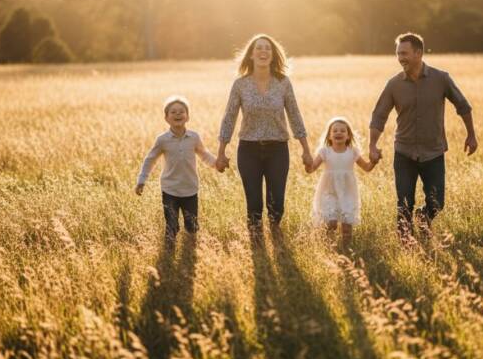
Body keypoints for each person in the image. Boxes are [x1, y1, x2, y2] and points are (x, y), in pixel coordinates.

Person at [368, 32, 478, 242]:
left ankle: (423, 217)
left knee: (437, 203)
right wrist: (372, 145)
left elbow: (462, 106)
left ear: (419, 53)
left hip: (433, 152)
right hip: (404, 153)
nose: (401, 58)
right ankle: (406, 245)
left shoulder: (441, 78)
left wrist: (471, 135)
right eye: (398, 54)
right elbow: (379, 115)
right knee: (404, 203)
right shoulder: (394, 84)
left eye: (405, 53)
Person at [216, 34, 312, 239]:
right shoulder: (240, 85)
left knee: (276, 201)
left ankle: (276, 237)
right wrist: (221, 152)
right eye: (259, 48)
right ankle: (256, 243)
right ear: (251, 54)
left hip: (278, 149)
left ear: (273, 54)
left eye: (267, 48)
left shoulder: (283, 83)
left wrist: (306, 150)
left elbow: (295, 115)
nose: (263, 51)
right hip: (248, 149)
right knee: (254, 202)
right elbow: (229, 118)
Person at [135, 96, 217, 248]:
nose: (178, 114)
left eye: (181, 111)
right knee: (172, 225)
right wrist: (141, 180)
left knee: (191, 225)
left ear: (188, 116)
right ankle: (169, 252)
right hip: (170, 189)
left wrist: (217, 164)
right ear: (166, 118)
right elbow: (150, 160)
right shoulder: (162, 140)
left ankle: (191, 252)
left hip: (190, 189)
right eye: (173, 112)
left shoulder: (194, 137)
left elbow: (204, 154)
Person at [307, 117, 377, 248]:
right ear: (329, 136)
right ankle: (329, 248)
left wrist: (374, 161)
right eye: (335, 131)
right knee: (331, 223)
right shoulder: (325, 152)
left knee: (346, 225)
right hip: (329, 191)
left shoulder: (353, 152)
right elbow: (311, 169)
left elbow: (366, 168)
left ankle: (346, 250)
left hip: (348, 192)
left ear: (348, 135)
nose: (338, 133)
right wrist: (307, 163)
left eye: (342, 131)